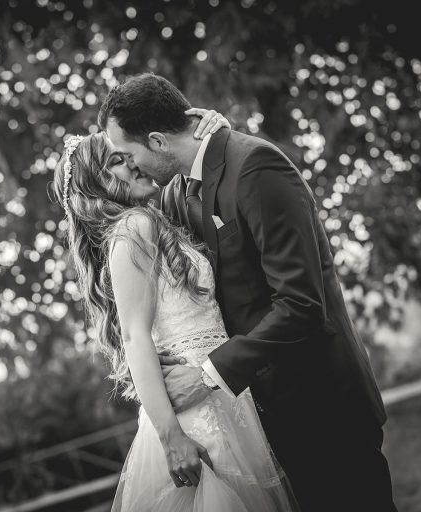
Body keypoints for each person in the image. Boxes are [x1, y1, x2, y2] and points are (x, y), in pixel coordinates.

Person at [98, 73, 398, 512]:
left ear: (159, 141)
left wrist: (205, 375)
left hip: (321, 409)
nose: (129, 167)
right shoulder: (178, 193)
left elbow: (301, 304)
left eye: (128, 154)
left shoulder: (256, 166)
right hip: (261, 421)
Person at [51, 113, 299, 511]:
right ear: (96, 183)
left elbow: (180, 163)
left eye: (127, 153)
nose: (132, 161)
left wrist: (213, 124)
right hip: (193, 413)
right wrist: (172, 438)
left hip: (219, 393)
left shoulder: (153, 218)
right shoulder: (133, 228)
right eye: (116, 160)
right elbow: (134, 337)